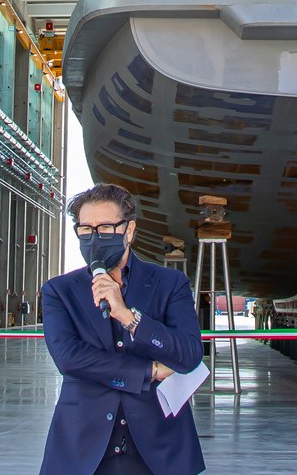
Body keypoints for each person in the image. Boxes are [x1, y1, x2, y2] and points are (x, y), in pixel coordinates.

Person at [40, 184, 205, 475]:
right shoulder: (59, 291)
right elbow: (70, 358)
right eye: (85, 229)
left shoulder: (170, 284)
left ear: (129, 231)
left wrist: (129, 317)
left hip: (160, 449)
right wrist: (149, 371)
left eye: (105, 228)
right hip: (82, 449)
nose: (94, 237)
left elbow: (189, 354)